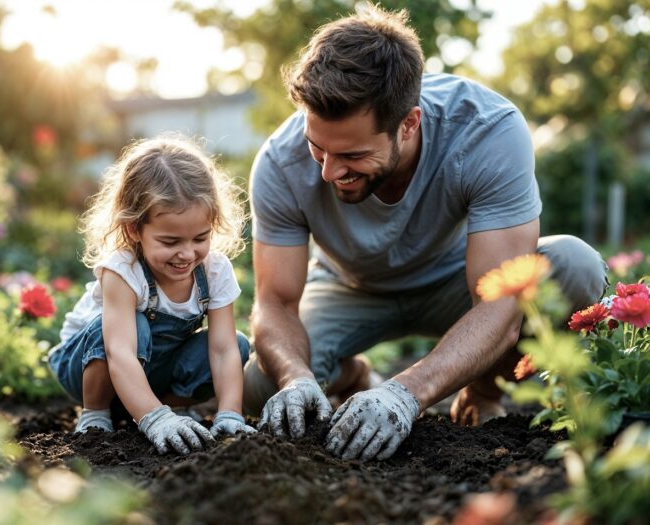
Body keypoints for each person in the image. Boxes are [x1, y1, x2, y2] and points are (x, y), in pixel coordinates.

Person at [242, 4, 607, 462]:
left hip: (456, 281)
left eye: (352, 154)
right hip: (348, 288)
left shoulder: (486, 130)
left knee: (575, 265)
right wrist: (296, 377)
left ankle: (481, 388)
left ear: (409, 123)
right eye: (318, 147)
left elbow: (499, 301)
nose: (330, 171)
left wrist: (405, 394)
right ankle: (351, 375)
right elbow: (274, 303)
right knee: (258, 389)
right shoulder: (280, 161)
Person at [49, 135, 255, 455]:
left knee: (239, 344)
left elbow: (224, 348)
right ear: (134, 230)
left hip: (151, 371)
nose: (187, 254)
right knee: (137, 324)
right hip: (90, 366)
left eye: (200, 238)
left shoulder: (214, 270)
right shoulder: (123, 271)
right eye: (171, 242)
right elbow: (119, 352)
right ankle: (97, 415)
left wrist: (230, 413)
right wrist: (153, 420)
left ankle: (165, 407)